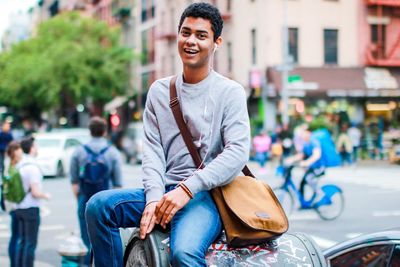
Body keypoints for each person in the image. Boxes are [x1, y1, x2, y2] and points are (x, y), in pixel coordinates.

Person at [85, 3, 250, 266]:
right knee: (98, 206)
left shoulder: (230, 92)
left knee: (183, 254)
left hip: (203, 196)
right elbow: (152, 151)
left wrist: (187, 188)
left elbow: (237, 153)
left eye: (201, 35)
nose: (191, 41)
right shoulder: (159, 91)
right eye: (185, 32)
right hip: (162, 191)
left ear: (217, 42)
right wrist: (152, 199)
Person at [69, 116, 123, 265]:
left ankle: (87, 262)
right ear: (105, 131)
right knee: (106, 239)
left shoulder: (79, 152)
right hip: (106, 201)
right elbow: (118, 184)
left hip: (85, 197)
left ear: (90, 131)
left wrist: (80, 199)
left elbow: (74, 181)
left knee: (86, 239)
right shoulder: (112, 152)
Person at [14, 137, 51, 267]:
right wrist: (45, 195)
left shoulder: (19, 165)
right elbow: (35, 192)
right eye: (35, 146)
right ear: (31, 149)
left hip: (18, 207)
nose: (37, 148)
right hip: (30, 207)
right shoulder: (33, 167)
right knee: (30, 243)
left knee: (22, 241)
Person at [285, 125, 325, 199]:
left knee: (308, 179)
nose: (302, 135)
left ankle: (321, 194)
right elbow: (302, 155)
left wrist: (307, 162)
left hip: (318, 167)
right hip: (311, 168)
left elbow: (317, 155)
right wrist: (291, 159)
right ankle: (303, 203)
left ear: (309, 133)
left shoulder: (314, 141)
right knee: (302, 183)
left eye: (304, 133)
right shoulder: (305, 143)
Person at [5, 141, 24, 267]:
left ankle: (14, 263)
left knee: (15, 235)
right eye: (19, 149)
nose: (21, 151)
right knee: (17, 236)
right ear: (15, 151)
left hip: (10, 204)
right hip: (15, 204)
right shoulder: (13, 167)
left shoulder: (8, 165)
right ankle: (15, 263)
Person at [0, 121, 14, 211]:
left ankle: (3, 203)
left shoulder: (9, 135)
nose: (7, 127)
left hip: (6, 160)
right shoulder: (1, 135)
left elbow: (12, 145)